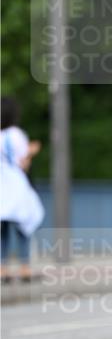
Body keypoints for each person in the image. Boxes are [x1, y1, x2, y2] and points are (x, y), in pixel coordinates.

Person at [0, 96, 44, 282]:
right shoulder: (16, 134)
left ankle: (2, 269)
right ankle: (25, 268)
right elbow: (23, 163)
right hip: (16, 184)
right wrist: (32, 150)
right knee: (23, 227)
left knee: (2, 230)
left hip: (1, 185)